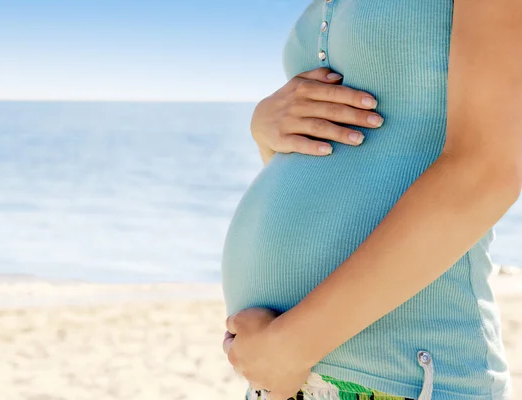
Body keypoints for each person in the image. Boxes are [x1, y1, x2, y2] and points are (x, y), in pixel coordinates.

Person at [220, 0, 521, 399]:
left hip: (404, 377)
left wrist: (291, 346)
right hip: (286, 375)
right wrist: (268, 130)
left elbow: (488, 170)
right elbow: (333, 168)